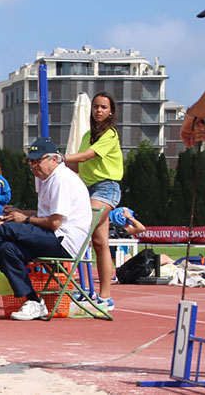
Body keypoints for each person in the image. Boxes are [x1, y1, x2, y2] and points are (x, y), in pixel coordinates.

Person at [0, 138, 92, 320]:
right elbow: (46, 215)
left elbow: (55, 223)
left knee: (4, 230)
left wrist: (24, 219)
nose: (33, 166)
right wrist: (21, 212)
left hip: (65, 241)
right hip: (54, 236)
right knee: (5, 250)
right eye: (30, 162)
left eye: (37, 161)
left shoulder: (61, 180)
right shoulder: (48, 179)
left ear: (54, 159)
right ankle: (34, 302)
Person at [65, 91, 122, 312]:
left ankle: (89, 289)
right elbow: (77, 165)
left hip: (107, 188)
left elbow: (87, 156)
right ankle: (101, 294)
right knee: (99, 242)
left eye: (103, 107)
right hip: (87, 189)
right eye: (96, 106)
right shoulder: (87, 134)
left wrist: (59, 157)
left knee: (80, 229)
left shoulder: (111, 134)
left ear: (111, 111)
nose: (99, 110)